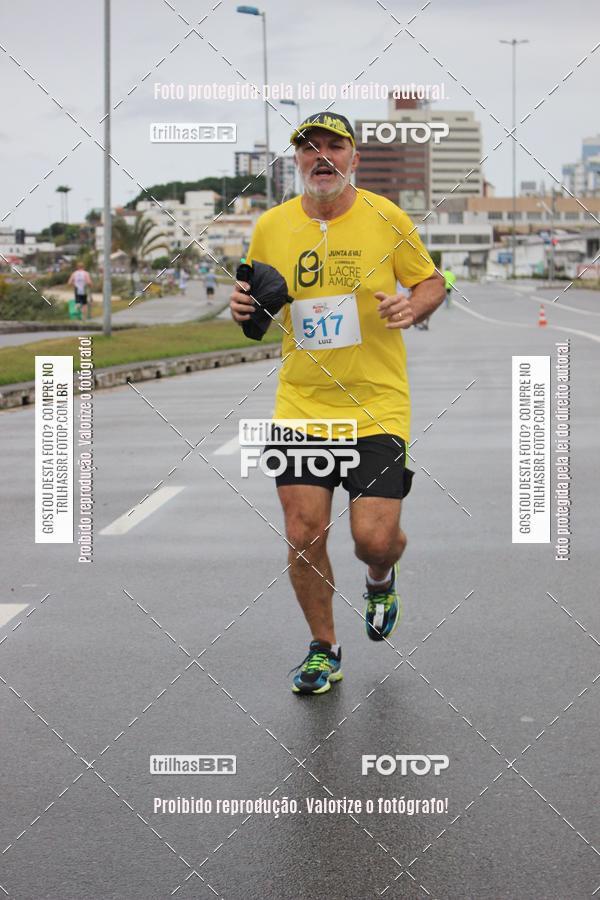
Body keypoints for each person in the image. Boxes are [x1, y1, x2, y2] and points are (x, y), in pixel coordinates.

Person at [230, 112, 445, 695]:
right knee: (303, 533)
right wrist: (242, 310)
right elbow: (257, 304)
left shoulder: (385, 216)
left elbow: (431, 281)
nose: (320, 157)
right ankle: (324, 648)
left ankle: (381, 576)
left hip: (376, 403)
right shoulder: (271, 226)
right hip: (302, 403)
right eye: (308, 148)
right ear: (296, 160)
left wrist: (413, 306)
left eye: (333, 146)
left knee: (372, 538)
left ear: (353, 158)